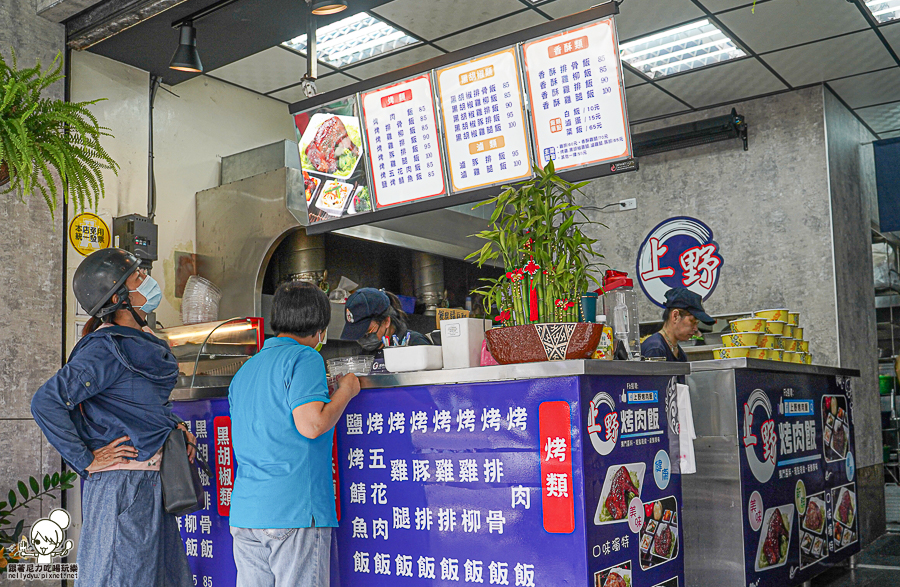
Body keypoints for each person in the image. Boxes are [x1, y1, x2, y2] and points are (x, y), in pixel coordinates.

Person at [31, 247, 194, 586]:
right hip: (122, 488)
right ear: (119, 297)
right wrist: (87, 460)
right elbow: (46, 402)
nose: (149, 283)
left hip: (154, 486)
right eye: (139, 278)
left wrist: (175, 428)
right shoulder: (105, 348)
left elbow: (136, 406)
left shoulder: (140, 342)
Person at [228, 281, 360, 587]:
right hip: (294, 510)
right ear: (319, 327)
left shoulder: (246, 369)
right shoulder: (305, 358)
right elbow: (311, 425)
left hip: (247, 514)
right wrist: (347, 391)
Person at [341, 287, 430, 351]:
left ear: (386, 321)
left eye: (367, 333)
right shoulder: (367, 355)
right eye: (358, 335)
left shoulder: (416, 345)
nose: (363, 340)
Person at [641, 288, 715, 362]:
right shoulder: (655, 349)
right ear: (675, 316)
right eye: (692, 321)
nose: (695, 329)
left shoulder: (679, 353)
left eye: (697, 323)